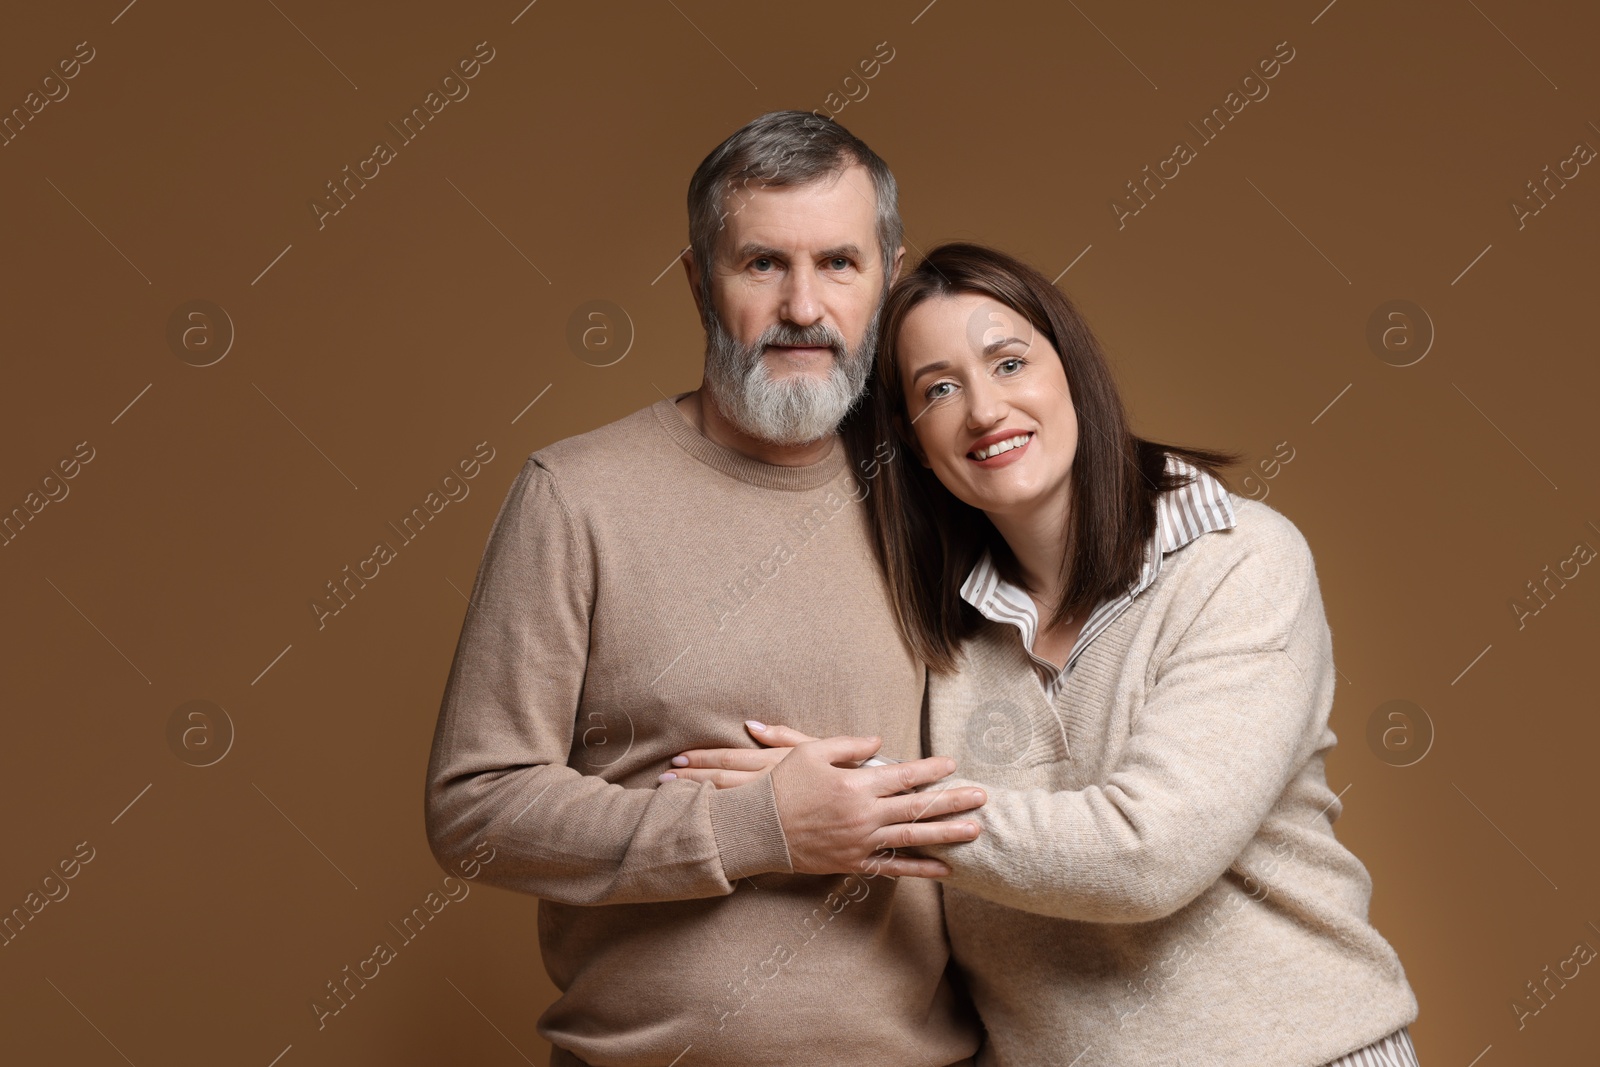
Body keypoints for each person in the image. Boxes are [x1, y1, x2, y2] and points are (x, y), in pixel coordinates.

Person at [666, 243, 1422, 1066]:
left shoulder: (1237, 561)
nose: (985, 410)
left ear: (1072, 372)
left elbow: (1148, 853)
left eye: (1010, 361)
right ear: (914, 443)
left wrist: (867, 808)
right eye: (940, 390)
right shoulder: (936, 630)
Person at [422, 113, 991, 1067]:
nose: (803, 305)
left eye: (840, 264)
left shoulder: (938, 489)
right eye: (762, 263)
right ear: (697, 280)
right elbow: (475, 814)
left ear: (890, 280)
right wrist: (760, 825)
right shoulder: (577, 497)